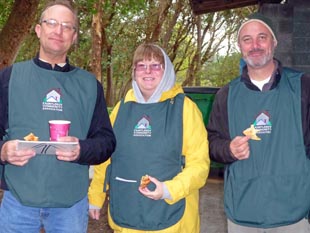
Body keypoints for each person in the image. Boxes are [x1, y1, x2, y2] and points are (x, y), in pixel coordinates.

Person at [0, 1, 116, 232]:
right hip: (18, 202)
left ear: (74, 37)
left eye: (67, 26)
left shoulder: (89, 85)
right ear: (38, 29)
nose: (58, 30)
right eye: (51, 23)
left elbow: (106, 141)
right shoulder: (10, 78)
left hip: (70, 205)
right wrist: (2, 151)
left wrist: (81, 149)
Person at [88, 43, 210, 233]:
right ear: (134, 71)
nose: (148, 71)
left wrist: (169, 189)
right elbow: (106, 159)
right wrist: (96, 197)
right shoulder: (121, 109)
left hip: (172, 216)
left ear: (166, 70)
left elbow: (199, 165)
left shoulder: (185, 109)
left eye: (155, 65)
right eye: (141, 65)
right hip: (126, 214)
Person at [207, 12, 310, 232]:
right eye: (247, 39)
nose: (255, 45)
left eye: (262, 37)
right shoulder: (226, 94)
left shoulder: (302, 87)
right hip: (242, 212)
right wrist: (228, 149)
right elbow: (211, 143)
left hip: (293, 214)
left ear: (274, 42)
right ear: (239, 46)